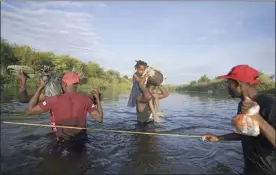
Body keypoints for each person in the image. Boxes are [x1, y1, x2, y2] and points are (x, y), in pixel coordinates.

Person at [201, 65, 275, 175]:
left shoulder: (270, 105)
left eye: (228, 82)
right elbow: (243, 133)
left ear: (238, 83)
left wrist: (257, 118)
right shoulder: (242, 104)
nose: (227, 86)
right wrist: (219, 138)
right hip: (250, 169)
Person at [26, 72, 103, 147]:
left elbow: (30, 111)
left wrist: (40, 88)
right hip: (81, 141)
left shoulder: (55, 100)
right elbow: (99, 119)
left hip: (61, 141)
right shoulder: (86, 100)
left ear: (64, 84)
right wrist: (97, 98)